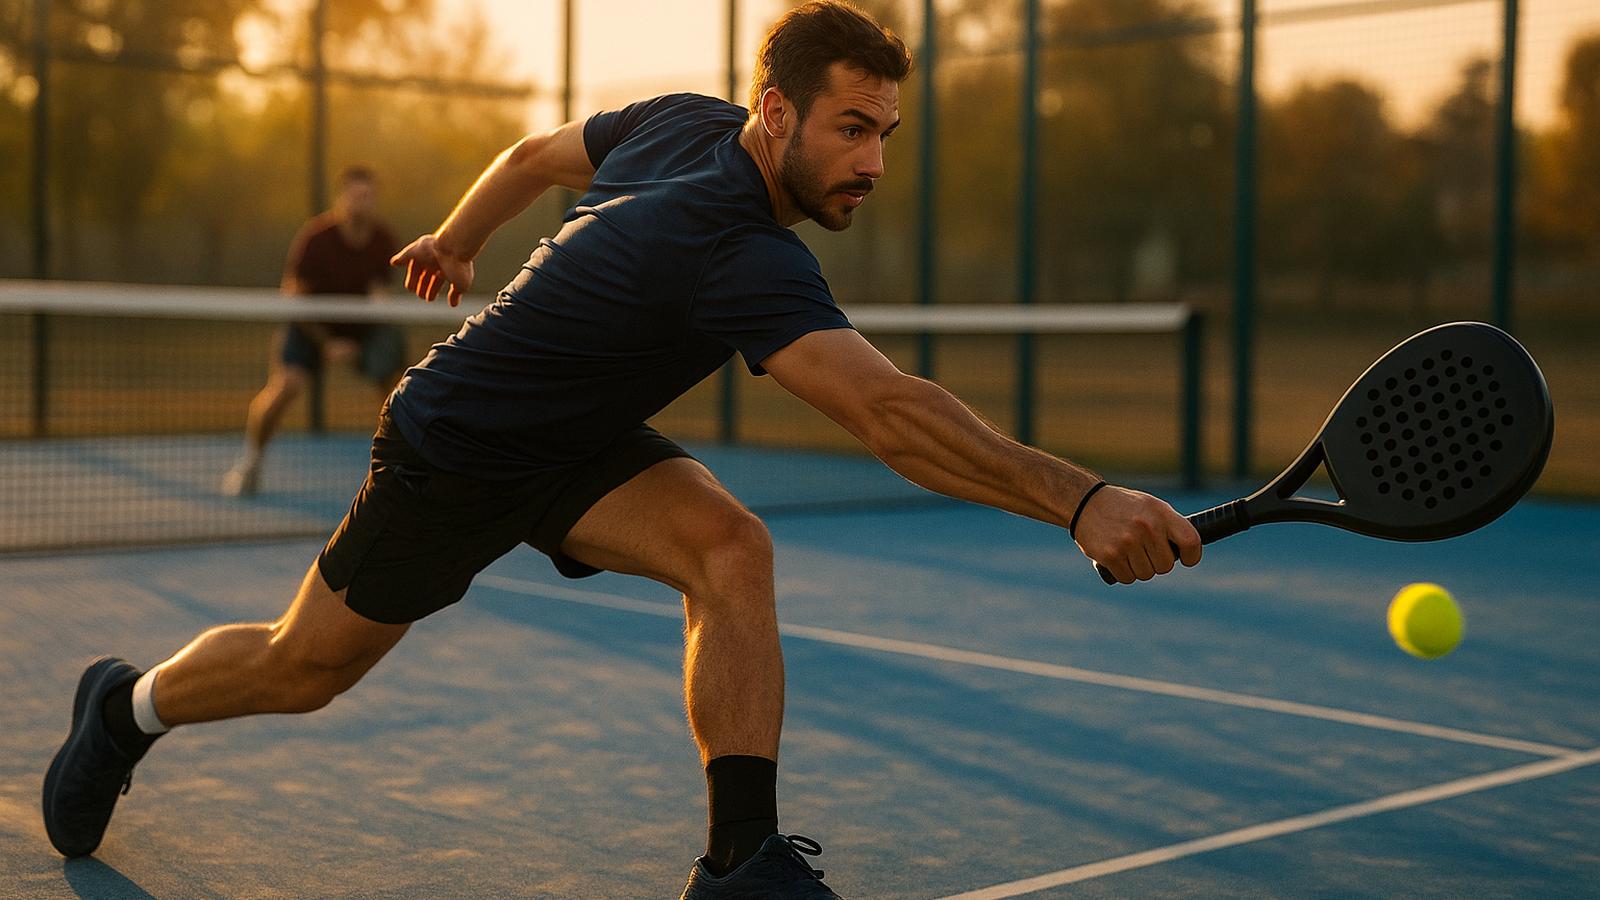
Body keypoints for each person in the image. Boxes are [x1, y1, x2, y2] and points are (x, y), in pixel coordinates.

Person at [43, 3, 1201, 896]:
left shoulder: (684, 121)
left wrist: (457, 233)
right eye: (853, 129)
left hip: (581, 438)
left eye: (887, 133)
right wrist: (1082, 499)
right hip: (457, 444)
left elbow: (537, 156)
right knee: (306, 668)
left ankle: (739, 862)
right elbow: (889, 414)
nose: (874, 164)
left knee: (730, 549)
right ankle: (125, 710)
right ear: (777, 111)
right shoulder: (736, 247)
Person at [221, 164, 406, 497]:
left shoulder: (383, 240)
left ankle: (393, 472)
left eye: (367, 197)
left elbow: (381, 296)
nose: (360, 203)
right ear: (341, 199)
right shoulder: (316, 238)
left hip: (361, 330)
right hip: (311, 326)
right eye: (355, 196)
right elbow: (294, 297)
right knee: (286, 385)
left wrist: (361, 337)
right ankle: (250, 461)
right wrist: (328, 342)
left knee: (396, 393)